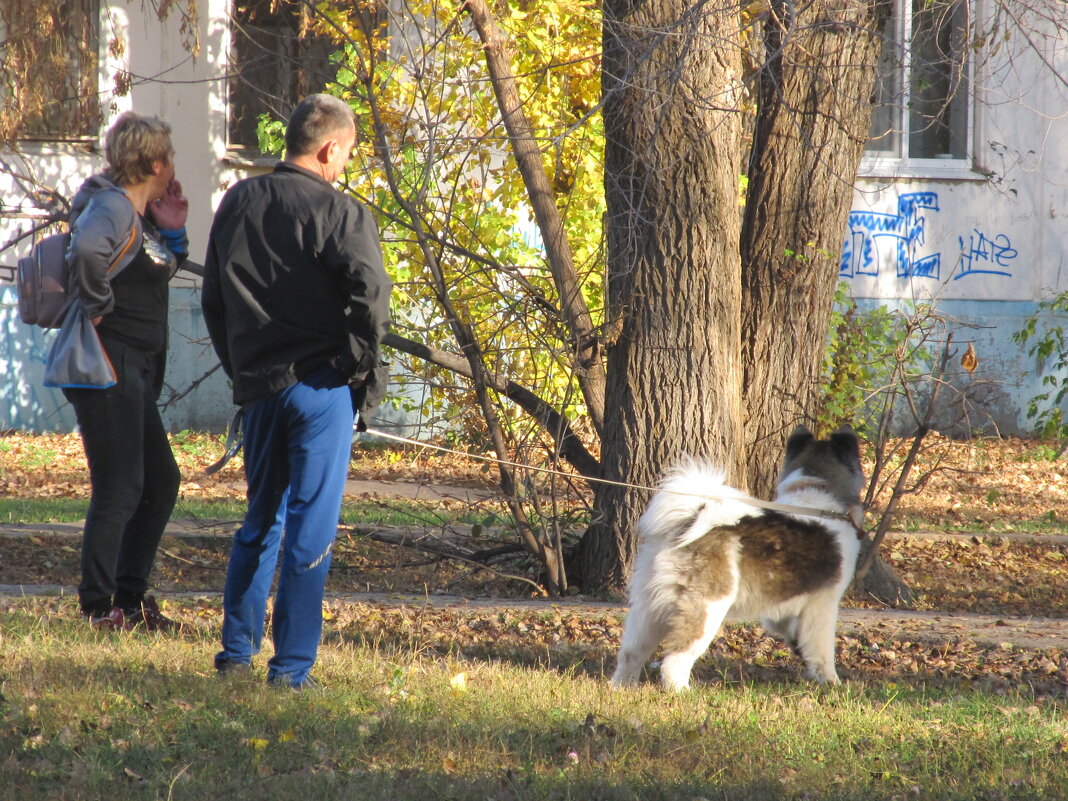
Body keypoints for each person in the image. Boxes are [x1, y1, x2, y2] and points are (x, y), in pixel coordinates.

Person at [202, 93, 392, 689]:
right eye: (347, 155)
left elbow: (214, 299)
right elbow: (371, 301)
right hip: (320, 389)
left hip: (258, 385)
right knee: (311, 529)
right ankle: (290, 670)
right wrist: (356, 370)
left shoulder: (238, 201)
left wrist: (242, 368)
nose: (345, 167)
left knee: (261, 520)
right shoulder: (342, 213)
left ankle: (236, 654)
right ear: (329, 147)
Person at [64, 111, 189, 631]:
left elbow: (158, 265)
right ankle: (98, 608)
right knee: (120, 486)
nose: (173, 166)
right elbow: (87, 250)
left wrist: (174, 228)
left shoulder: (138, 214)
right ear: (156, 161)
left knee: (159, 480)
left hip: (134, 365)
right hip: (105, 360)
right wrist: (97, 303)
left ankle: (130, 599)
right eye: (171, 158)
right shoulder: (111, 206)